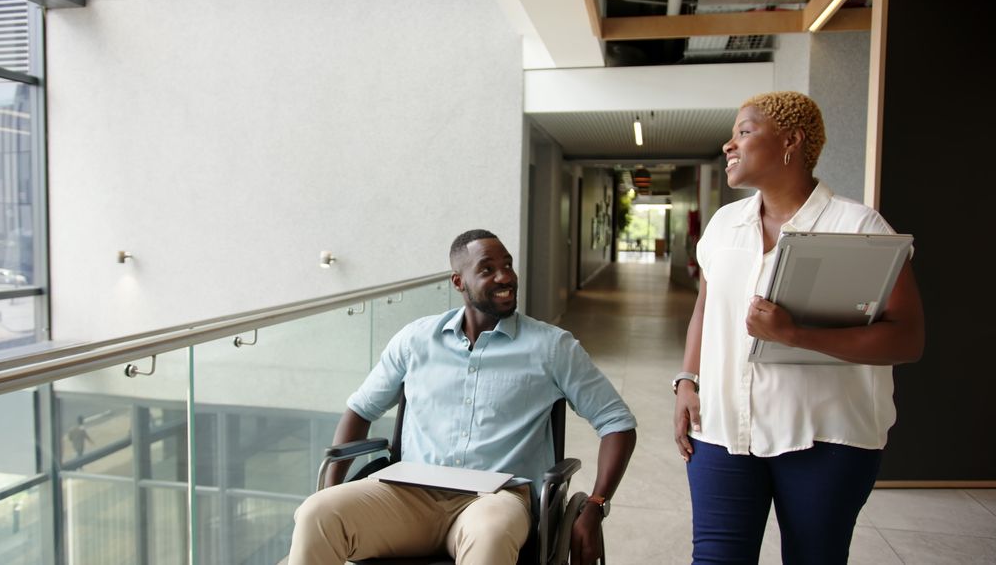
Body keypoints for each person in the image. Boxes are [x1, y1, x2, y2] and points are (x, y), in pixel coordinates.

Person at [673, 91, 925, 564]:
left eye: (744, 133)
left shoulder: (858, 226)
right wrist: (687, 380)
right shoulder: (725, 224)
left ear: (791, 141)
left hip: (825, 440)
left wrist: (796, 335)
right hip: (724, 432)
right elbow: (706, 309)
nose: (729, 145)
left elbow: (907, 338)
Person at [291, 229, 637, 565]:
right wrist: (332, 488)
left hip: (497, 499)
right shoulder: (415, 341)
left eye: (508, 265)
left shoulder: (552, 347)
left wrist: (595, 504)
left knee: (490, 535)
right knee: (316, 513)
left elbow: (617, 424)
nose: (505, 277)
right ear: (459, 282)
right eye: (487, 269)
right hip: (408, 493)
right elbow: (361, 409)